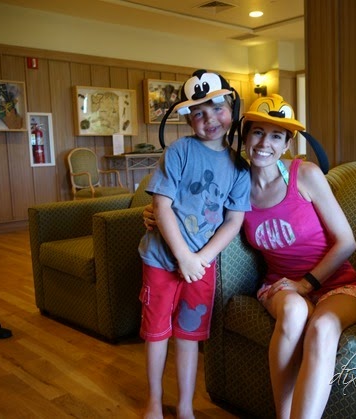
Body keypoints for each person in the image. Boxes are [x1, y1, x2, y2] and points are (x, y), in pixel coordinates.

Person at [145, 94, 356, 419]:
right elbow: (192, 206)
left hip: (337, 284)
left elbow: (347, 242)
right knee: (293, 312)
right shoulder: (236, 183)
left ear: (287, 143)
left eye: (276, 136)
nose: (265, 143)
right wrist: (151, 214)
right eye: (258, 133)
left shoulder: (305, 175)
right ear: (245, 136)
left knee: (322, 327)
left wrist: (306, 283)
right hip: (279, 286)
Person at [137, 69, 251, 419]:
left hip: (202, 265)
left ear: (231, 109)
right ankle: (154, 400)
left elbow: (233, 221)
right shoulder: (179, 151)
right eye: (198, 113)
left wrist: (200, 259)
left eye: (217, 108)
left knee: (189, 334)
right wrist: (183, 256)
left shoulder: (239, 168)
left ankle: (185, 404)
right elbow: (161, 206)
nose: (210, 119)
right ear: (188, 119)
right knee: (157, 332)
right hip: (161, 259)